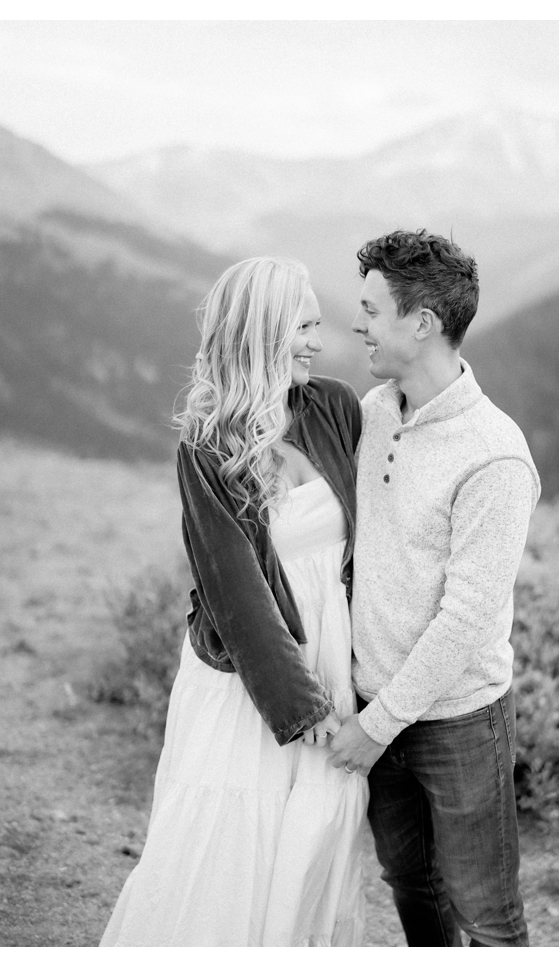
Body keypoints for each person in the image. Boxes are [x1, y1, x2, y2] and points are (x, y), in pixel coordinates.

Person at [102, 257, 367, 945]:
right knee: (228, 843)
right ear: (264, 332)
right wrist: (296, 702)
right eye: (303, 325)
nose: (318, 338)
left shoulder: (334, 407)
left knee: (310, 837)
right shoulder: (208, 443)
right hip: (249, 680)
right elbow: (233, 586)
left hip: (330, 656)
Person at [325, 229, 540, 947]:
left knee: (485, 914)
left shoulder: (494, 453)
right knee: (412, 888)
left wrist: (376, 724)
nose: (359, 324)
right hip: (374, 705)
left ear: (422, 323)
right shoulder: (375, 411)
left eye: (372, 310)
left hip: (457, 721)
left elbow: (466, 620)